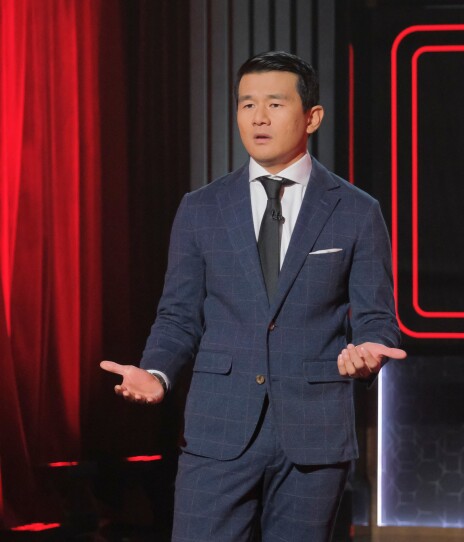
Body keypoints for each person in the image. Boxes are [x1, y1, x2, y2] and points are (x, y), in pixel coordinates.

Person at [100, 51, 405, 541]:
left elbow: (377, 318)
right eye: (246, 105)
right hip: (218, 426)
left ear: (312, 117)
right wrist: (157, 371)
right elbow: (178, 315)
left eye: (275, 104)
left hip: (315, 432)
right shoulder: (200, 208)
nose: (258, 117)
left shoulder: (356, 211)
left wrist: (368, 352)